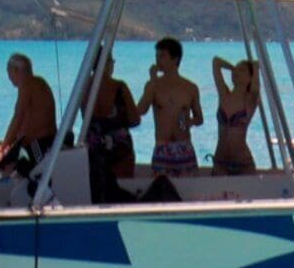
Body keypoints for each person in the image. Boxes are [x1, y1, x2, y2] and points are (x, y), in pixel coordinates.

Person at [139, 38, 203, 194]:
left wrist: (190, 122)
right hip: (162, 148)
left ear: (175, 59)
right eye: (157, 56)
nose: (158, 61)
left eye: (162, 56)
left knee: (189, 193)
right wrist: (152, 83)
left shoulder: (190, 88)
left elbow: (199, 118)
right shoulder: (153, 85)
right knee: (160, 193)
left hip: (184, 147)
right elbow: (140, 110)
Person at [83, 62, 145, 202]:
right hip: (119, 148)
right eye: (111, 61)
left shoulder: (84, 88)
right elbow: (135, 119)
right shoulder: (118, 86)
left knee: (98, 189)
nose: (113, 64)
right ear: (105, 63)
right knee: (122, 189)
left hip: (94, 147)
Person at [0, 53, 56, 176]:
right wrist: (9, 143)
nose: (9, 77)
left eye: (9, 72)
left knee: (5, 166)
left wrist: (4, 146)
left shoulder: (26, 84)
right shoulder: (40, 82)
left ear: (16, 70)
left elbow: (18, 117)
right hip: (48, 141)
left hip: (40, 145)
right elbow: (28, 119)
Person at [211, 57, 261, 176]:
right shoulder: (224, 94)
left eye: (242, 70)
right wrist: (232, 68)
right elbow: (216, 62)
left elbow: (255, 87)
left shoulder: (250, 100)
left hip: (242, 163)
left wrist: (254, 67)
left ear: (250, 78)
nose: (236, 72)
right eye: (235, 70)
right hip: (220, 161)